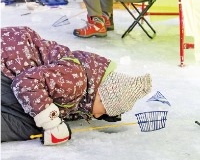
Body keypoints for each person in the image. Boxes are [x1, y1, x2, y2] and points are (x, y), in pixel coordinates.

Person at [1, 26, 152, 145]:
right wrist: (52, 123)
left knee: (38, 110)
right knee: (33, 123)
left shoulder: (87, 77)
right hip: (7, 68)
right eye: (104, 110)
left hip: (9, 62)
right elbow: (25, 83)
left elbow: (64, 101)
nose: (98, 116)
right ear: (102, 95)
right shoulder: (77, 80)